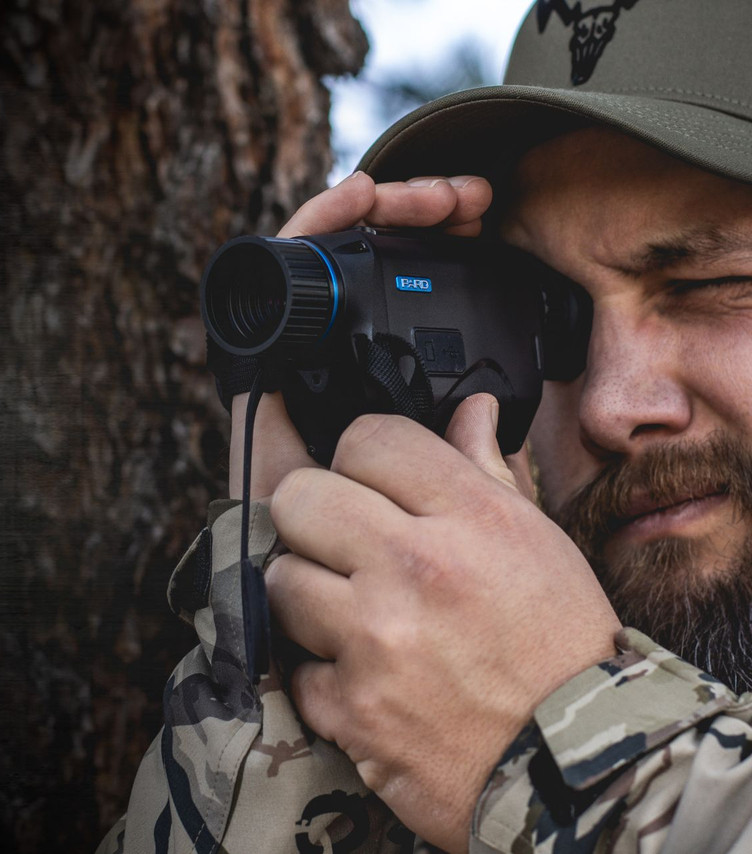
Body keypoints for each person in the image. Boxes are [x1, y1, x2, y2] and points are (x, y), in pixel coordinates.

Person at [99, 1, 752, 852]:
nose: (608, 405)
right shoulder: (451, 775)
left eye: (709, 283)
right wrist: (288, 681)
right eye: (550, 321)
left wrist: (559, 738)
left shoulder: (509, 764)